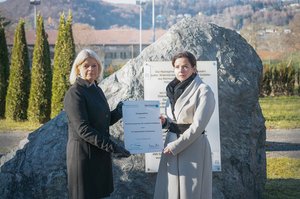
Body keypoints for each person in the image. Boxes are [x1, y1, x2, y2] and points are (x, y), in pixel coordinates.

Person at [64, 49, 131, 199]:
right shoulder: (75, 93)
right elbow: (84, 129)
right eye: (86, 65)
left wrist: (119, 111)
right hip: (84, 157)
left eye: (94, 66)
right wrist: (114, 147)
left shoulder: (96, 89)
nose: (91, 69)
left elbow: (103, 121)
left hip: (99, 154)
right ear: (78, 69)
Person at [154, 51, 215, 199]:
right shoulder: (172, 90)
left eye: (185, 66)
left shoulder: (204, 90)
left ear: (194, 68)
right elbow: (176, 121)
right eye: (177, 66)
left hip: (192, 146)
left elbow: (198, 126)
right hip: (171, 142)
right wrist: (165, 122)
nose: (181, 70)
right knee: (170, 190)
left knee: (190, 191)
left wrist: (175, 146)